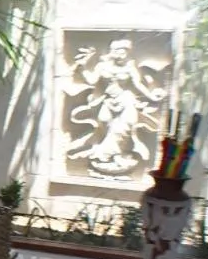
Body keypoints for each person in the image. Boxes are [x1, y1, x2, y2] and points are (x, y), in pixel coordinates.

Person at [67, 39, 167, 178]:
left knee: (124, 128)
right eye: (119, 52)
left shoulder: (130, 67)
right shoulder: (102, 66)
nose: (122, 55)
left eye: (125, 52)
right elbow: (92, 80)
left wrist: (151, 96)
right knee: (105, 125)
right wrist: (83, 67)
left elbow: (138, 85)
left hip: (126, 100)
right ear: (112, 52)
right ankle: (112, 156)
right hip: (108, 101)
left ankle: (110, 155)